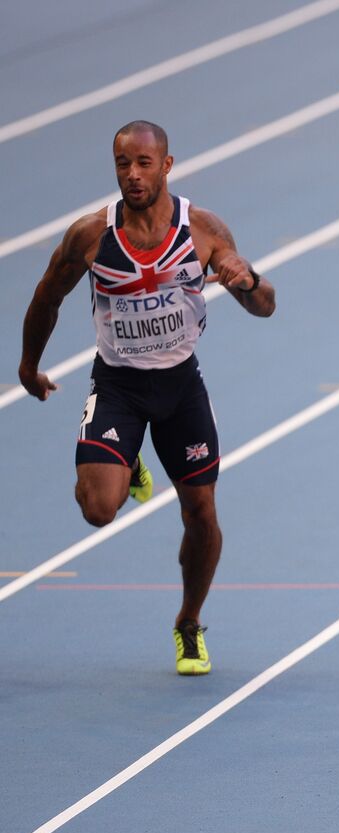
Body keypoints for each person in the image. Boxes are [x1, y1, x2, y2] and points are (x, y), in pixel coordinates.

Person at [17, 120, 276, 676]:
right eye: (122, 164)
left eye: (143, 163)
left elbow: (266, 306)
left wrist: (245, 279)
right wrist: (29, 366)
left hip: (181, 387)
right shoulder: (91, 235)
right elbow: (47, 296)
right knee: (98, 511)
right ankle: (124, 456)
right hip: (119, 387)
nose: (132, 175)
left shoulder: (204, 230)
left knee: (201, 513)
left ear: (167, 165)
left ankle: (188, 622)